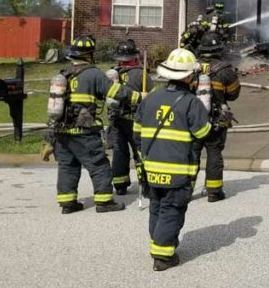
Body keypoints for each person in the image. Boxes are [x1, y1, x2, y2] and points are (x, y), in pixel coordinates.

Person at [135, 48, 212, 271]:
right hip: (177, 170)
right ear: (188, 76)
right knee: (172, 209)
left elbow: (136, 131)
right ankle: (162, 256)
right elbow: (202, 133)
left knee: (157, 207)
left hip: (151, 167)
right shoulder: (190, 102)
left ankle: (160, 244)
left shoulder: (150, 98)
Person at [51, 35, 136, 214]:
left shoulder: (64, 74)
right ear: (89, 55)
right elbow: (116, 92)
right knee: (99, 164)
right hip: (84, 130)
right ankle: (104, 202)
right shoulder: (94, 74)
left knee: (68, 165)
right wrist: (138, 97)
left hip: (62, 131)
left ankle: (68, 203)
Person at [195, 32, 241, 202]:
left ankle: (186, 189)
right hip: (216, 119)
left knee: (192, 154)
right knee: (214, 153)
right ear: (218, 49)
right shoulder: (225, 70)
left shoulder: (192, 66)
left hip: (193, 119)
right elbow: (233, 94)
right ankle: (214, 192)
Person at [108, 38, 149, 196]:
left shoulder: (113, 74)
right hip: (136, 120)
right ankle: (145, 185)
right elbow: (150, 96)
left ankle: (120, 185)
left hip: (117, 119)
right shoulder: (141, 74)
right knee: (140, 152)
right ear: (134, 57)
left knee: (119, 152)